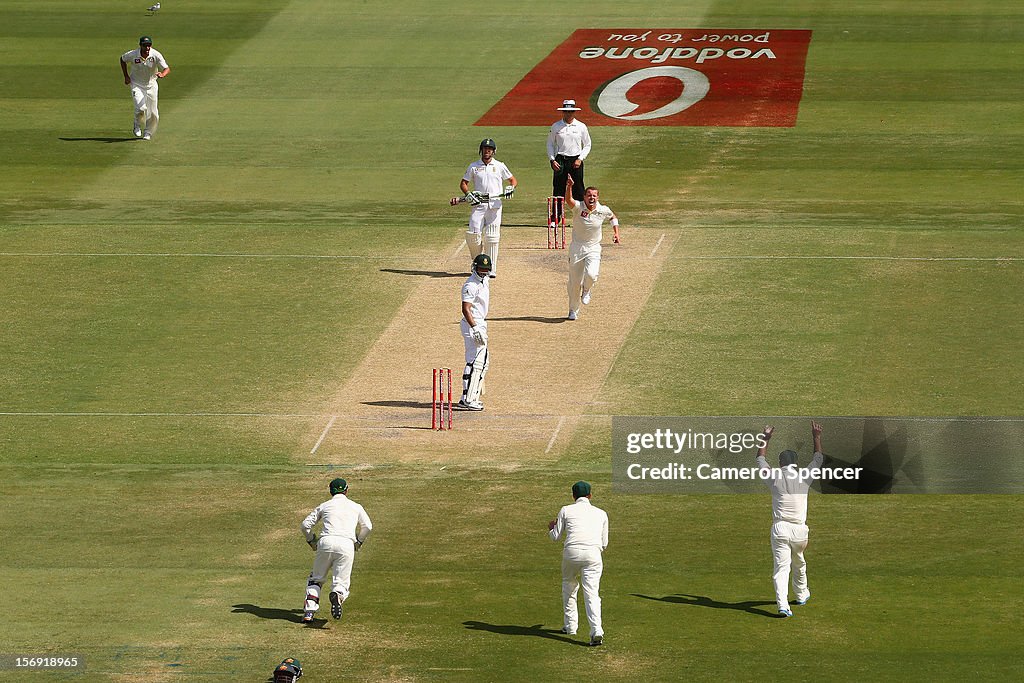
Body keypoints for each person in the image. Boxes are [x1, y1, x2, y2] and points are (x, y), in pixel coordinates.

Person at [755, 421, 825, 617]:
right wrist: (816, 437)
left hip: (780, 529)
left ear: (780, 464)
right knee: (799, 561)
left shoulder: (775, 477)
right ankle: (801, 594)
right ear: (796, 463)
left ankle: (783, 605)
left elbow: (760, 460)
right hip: (800, 531)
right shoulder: (805, 476)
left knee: (781, 568)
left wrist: (766, 438)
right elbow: (818, 459)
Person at [300, 478, 373, 623]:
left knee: (317, 578)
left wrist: (311, 540)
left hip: (326, 542)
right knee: (341, 582)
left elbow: (305, 525)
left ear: (330, 491)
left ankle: (309, 612)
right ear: (346, 490)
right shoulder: (356, 506)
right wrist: (359, 542)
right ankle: (337, 595)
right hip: (346, 544)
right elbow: (368, 527)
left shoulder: (325, 505)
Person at [548, 481, 608, 646]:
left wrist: (551, 528)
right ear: (590, 495)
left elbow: (555, 537)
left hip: (571, 553)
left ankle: (571, 626)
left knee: (568, 585)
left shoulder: (566, 510)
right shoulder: (601, 513)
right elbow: (604, 544)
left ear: (573, 496)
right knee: (592, 594)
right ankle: (596, 630)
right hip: (593, 555)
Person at [450, 139, 516, 278]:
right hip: (478, 205)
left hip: (495, 206)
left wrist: (511, 187)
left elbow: (512, 180)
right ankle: (477, 264)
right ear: (481, 150)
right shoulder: (474, 166)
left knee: (492, 237)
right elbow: (463, 183)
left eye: (490, 149)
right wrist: (468, 194)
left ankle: (491, 268)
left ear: (494, 151)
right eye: (485, 149)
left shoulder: (499, 166)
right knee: (473, 235)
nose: (487, 151)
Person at [563, 175, 620, 321]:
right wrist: (569, 186)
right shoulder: (578, 207)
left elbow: (613, 217)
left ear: (598, 197)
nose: (592, 198)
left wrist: (616, 233)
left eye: (594, 195)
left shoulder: (603, 210)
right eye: (589, 195)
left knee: (592, 275)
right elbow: (568, 200)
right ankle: (573, 310)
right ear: (585, 197)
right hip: (577, 247)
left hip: (593, 247)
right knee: (575, 283)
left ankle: (587, 290)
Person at [546, 99, 592, 226]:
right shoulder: (556, 126)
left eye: (571, 111)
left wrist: (580, 158)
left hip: (576, 159)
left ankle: (582, 216)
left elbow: (587, 144)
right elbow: (550, 143)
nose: (568, 114)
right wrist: (552, 159)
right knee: (558, 188)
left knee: (578, 189)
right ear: (563, 112)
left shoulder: (581, 126)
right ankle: (556, 218)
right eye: (566, 111)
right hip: (560, 159)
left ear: (574, 112)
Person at [119, 36, 170, 140]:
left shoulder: (155, 54)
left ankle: (148, 132)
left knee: (153, 111)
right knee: (141, 108)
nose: (147, 47)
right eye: (145, 45)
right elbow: (122, 59)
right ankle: (137, 125)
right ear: (140, 45)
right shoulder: (133, 54)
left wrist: (163, 74)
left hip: (151, 85)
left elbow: (166, 68)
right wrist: (126, 76)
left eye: (149, 45)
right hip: (137, 84)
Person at [458, 253, 491, 410]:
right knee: (476, 361)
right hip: (472, 325)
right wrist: (475, 328)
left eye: (486, 270)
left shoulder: (485, 280)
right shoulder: (470, 285)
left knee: (483, 360)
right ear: (474, 268)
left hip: (480, 324)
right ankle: (469, 399)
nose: (483, 272)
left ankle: (468, 396)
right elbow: (465, 309)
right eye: (481, 269)